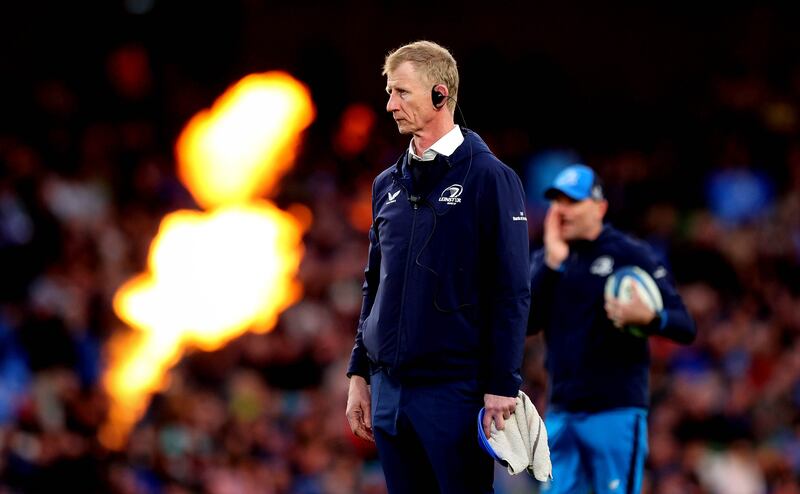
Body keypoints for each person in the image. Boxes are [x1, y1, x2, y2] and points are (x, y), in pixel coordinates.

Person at [345, 40, 531, 494]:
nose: (390, 105)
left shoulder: (490, 177)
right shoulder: (386, 184)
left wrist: (502, 384)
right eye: (390, 92)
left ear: (440, 95)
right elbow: (374, 283)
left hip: (454, 393)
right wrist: (358, 373)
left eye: (402, 93)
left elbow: (511, 288)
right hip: (389, 393)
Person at [528, 163, 696, 493]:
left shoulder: (629, 254)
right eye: (557, 202)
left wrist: (650, 318)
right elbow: (525, 323)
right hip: (562, 412)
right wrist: (551, 264)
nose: (562, 210)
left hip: (615, 412)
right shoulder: (549, 260)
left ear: (600, 207)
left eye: (572, 201)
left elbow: (684, 325)